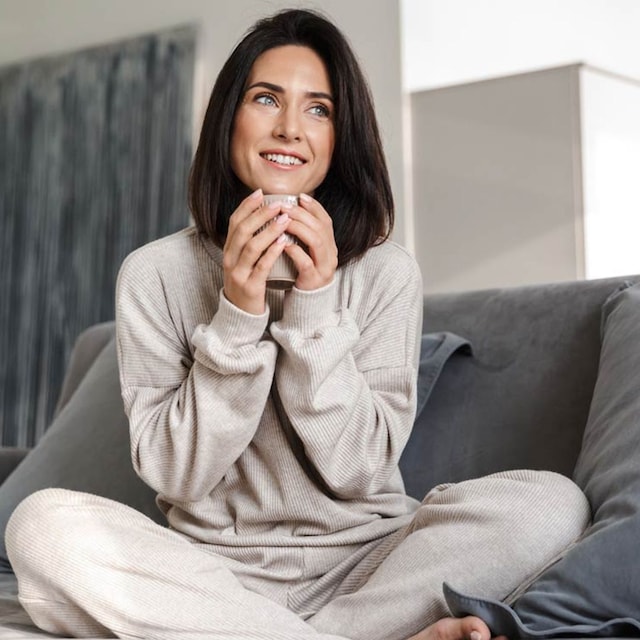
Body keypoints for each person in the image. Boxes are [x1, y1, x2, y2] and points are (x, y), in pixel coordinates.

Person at [6, 8, 589, 640]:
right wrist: (236, 313)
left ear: (341, 139)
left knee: (550, 503)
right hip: (209, 574)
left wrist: (315, 308)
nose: (289, 129)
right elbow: (180, 475)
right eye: (265, 99)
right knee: (41, 527)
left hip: (368, 563)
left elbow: (360, 470)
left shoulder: (385, 273)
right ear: (229, 117)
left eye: (319, 110)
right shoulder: (153, 274)